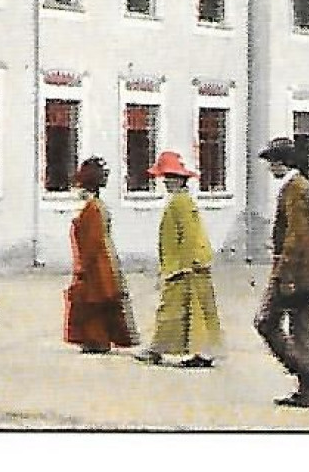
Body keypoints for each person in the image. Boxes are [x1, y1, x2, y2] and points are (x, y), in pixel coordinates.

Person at [254, 136, 309, 408]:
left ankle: (308, 375)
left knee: (266, 322)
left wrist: (285, 274)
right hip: (306, 272)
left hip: (295, 273)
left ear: (281, 162)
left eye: (272, 161)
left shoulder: (295, 189)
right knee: (300, 328)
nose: (269, 167)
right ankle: (308, 385)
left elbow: (297, 236)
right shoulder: (299, 186)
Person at [135, 151, 221, 369]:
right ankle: (200, 351)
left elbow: (189, 235)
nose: (165, 183)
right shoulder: (184, 201)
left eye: (168, 178)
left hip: (184, 266)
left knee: (174, 310)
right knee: (193, 311)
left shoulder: (179, 203)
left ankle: (160, 350)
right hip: (191, 263)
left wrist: (185, 265)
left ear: (178, 180)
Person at [64, 157, 136, 354]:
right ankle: (97, 338)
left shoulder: (92, 209)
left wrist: (83, 266)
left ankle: (97, 339)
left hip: (96, 264)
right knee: (95, 301)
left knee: (92, 302)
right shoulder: (95, 207)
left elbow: (92, 240)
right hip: (99, 261)